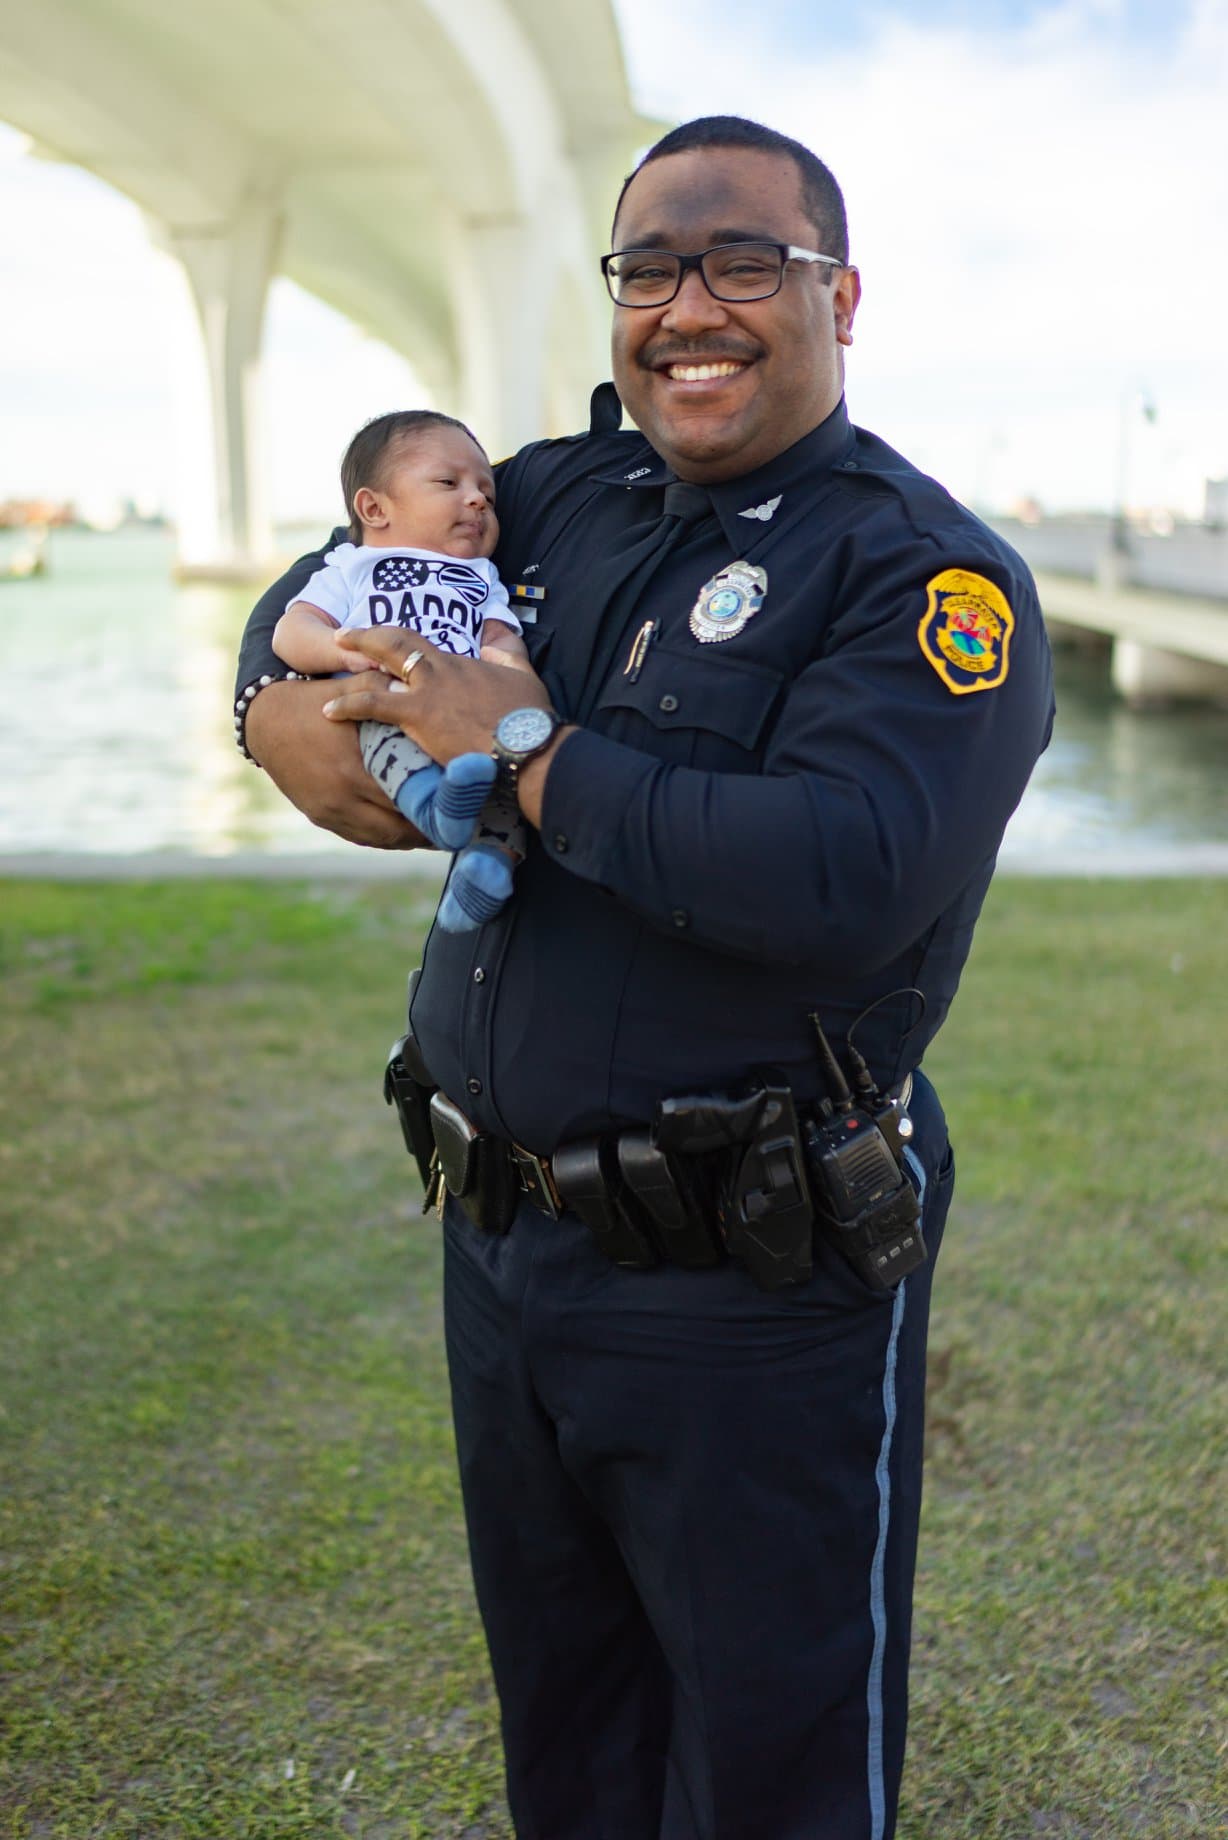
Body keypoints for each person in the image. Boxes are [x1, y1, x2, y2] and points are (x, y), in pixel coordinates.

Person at [235, 115, 1054, 1840]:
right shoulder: (552, 493)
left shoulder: (920, 569)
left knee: (765, 1770)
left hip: (748, 1286)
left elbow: (844, 871)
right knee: (571, 1737)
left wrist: (525, 749)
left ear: (839, 294)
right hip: (501, 1242)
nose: (690, 308)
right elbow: (330, 572)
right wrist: (276, 714)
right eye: (651, 268)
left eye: (743, 260)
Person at [272, 409, 532, 931]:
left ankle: (485, 871)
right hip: (387, 697)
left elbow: (500, 639)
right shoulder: (352, 567)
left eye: (487, 492)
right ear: (374, 508)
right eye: (448, 483)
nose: (478, 499)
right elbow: (291, 631)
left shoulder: (482, 577)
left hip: (465, 706)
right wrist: (342, 653)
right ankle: (434, 808)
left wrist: (516, 682)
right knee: (383, 735)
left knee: (511, 786)